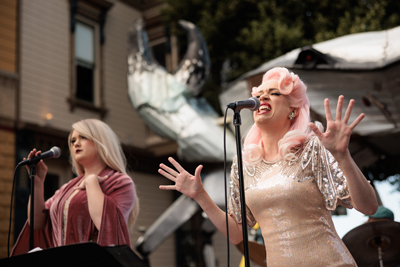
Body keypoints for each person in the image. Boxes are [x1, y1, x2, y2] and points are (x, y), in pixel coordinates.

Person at [158, 67, 378, 266]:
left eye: (273, 93)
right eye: (258, 94)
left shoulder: (312, 148)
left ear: (293, 108)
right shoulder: (243, 163)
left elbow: (369, 207)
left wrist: (343, 156)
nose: (262, 97)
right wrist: (200, 196)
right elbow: (236, 234)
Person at [12, 119, 139, 256]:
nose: (76, 143)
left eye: (83, 137)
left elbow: (105, 225)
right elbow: (36, 223)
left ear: (101, 141)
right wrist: (37, 183)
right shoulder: (67, 188)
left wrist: (91, 182)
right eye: (73, 141)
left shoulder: (121, 182)